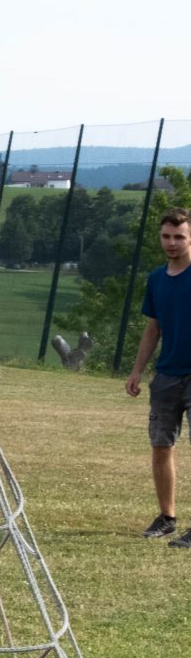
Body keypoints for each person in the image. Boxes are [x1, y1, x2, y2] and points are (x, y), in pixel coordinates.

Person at [127, 207, 191, 548]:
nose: (172, 243)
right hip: (166, 375)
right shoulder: (156, 279)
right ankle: (167, 518)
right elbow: (153, 328)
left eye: (179, 237)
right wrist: (138, 369)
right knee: (161, 445)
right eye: (166, 236)